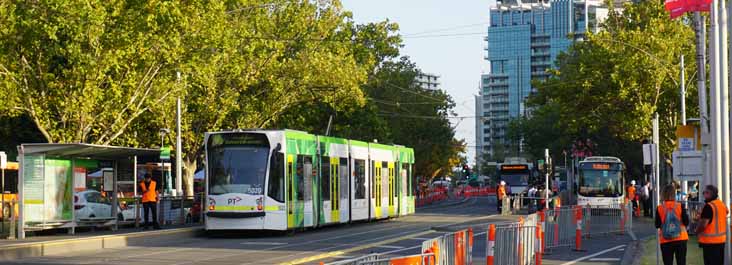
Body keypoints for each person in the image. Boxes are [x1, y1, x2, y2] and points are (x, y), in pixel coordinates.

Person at [656, 184, 689, 265]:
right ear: (674, 194)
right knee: (681, 262)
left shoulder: (659, 208)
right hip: (681, 238)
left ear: (663, 194)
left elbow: (657, 224)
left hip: (665, 239)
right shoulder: (680, 206)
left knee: (668, 262)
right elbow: (686, 222)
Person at [696, 185, 727, 265]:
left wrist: (697, 231)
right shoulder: (721, 204)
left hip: (710, 243)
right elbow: (726, 212)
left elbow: (703, 225)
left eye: (705, 193)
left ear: (709, 193)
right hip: (721, 241)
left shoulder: (709, 206)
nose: (704, 195)